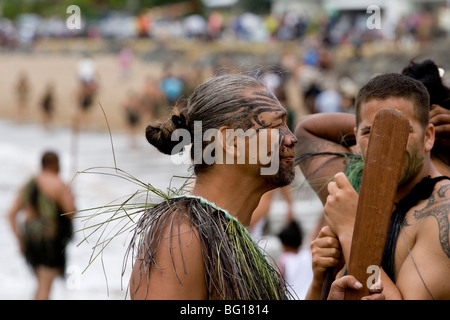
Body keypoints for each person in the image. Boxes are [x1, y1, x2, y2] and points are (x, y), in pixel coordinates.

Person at [127, 73, 383, 300]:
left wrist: (319, 289)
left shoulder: (227, 235)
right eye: (276, 125)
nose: (292, 138)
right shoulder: (182, 235)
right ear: (230, 141)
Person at [295, 73, 450, 299]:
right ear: (355, 140)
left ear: (428, 137)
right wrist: (320, 278)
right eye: (370, 132)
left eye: (401, 130)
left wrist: (352, 230)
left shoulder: (442, 212)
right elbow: (305, 131)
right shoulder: (356, 196)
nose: (384, 143)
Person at [8, 151, 76, 300]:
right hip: (48, 241)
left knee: (41, 283)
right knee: (45, 285)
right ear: (55, 164)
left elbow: (11, 214)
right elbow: (71, 212)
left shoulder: (29, 184)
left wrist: (19, 239)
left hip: (29, 239)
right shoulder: (58, 183)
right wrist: (71, 194)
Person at [277, 220, 313, 299]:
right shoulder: (309, 255)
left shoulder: (284, 259)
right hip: (311, 296)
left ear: (285, 244)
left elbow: (278, 282)